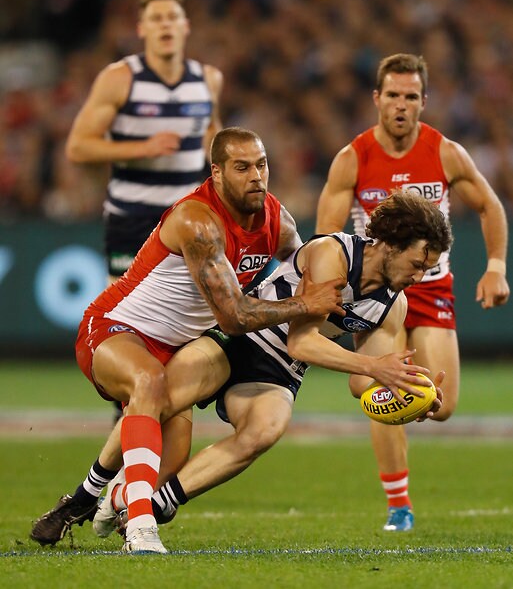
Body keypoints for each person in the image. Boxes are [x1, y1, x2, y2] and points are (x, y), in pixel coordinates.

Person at [30, 127, 344, 554]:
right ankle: (140, 527)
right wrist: (306, 305)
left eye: (262, 164)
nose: (256, 176)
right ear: (216, 172)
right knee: (149, 383)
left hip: (175, 348)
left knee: (170, 462)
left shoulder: (276, 218)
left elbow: (305, 261)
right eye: (242, 167)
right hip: (115, 329)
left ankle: (87, 499)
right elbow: (233, 317)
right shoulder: (198, 221)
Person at [89, 189, 451, 541]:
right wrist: (376, 367)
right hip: (241, 336)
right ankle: (87, 492)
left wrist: (405, 395)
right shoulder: (334, 252)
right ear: (391, 243)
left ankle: (149, 504)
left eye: (427, 269)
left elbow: (362, 384)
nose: (418, 278)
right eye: (418, 264)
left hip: (281, 369)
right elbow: (303, 340)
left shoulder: (393, 306)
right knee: (157, 400)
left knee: (266, 429)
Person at [315, 53, 510, 532]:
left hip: (433, 285)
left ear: (424, 101)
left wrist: (497, 266)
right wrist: (331, 288)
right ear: (377, 99)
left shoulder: (445, 152)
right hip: (378, 293)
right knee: (377, 385)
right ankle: (398, 505)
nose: (401, 105)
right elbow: (325, 233)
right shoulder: (353, 158)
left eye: (411, 97)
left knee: (441, 406)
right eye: (393, 96)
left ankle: (400, 404)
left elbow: (489, 205)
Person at [65, 0, 223, 424]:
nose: (165, 25)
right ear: (142, 29)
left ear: (186, 26)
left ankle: (158, 421)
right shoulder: (121, 78)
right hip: (133, 221)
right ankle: (128, 423)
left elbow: (215, 139)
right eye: (156, 18)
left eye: (173, 17)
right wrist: (142, 147)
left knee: (183, 329)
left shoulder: (207, 79)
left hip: (186, 224)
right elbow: (79, 146)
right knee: (127, 327)